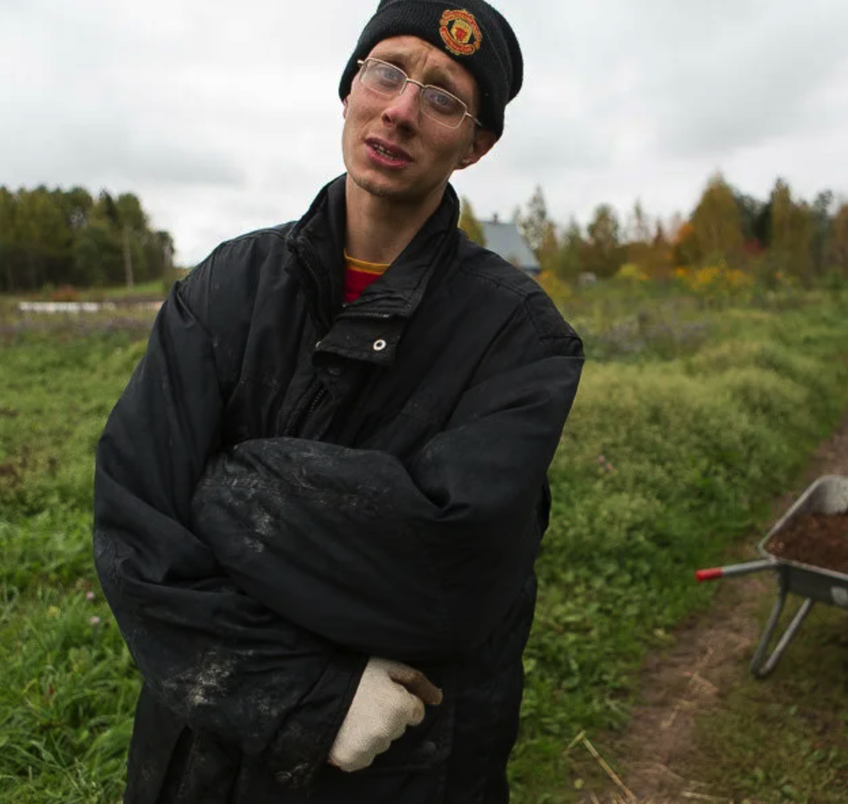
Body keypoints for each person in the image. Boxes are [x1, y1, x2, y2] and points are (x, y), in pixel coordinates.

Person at [91, 1, 584, 801]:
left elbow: (449, 577)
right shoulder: (225, 289)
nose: (401, 109)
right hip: (206, 764)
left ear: (476, 145)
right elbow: (135, 528)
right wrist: (311, 700)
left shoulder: (522, 339)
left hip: (411, 765)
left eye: (443, 97)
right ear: (351, 85)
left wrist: (222, 487)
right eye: (387, 72)